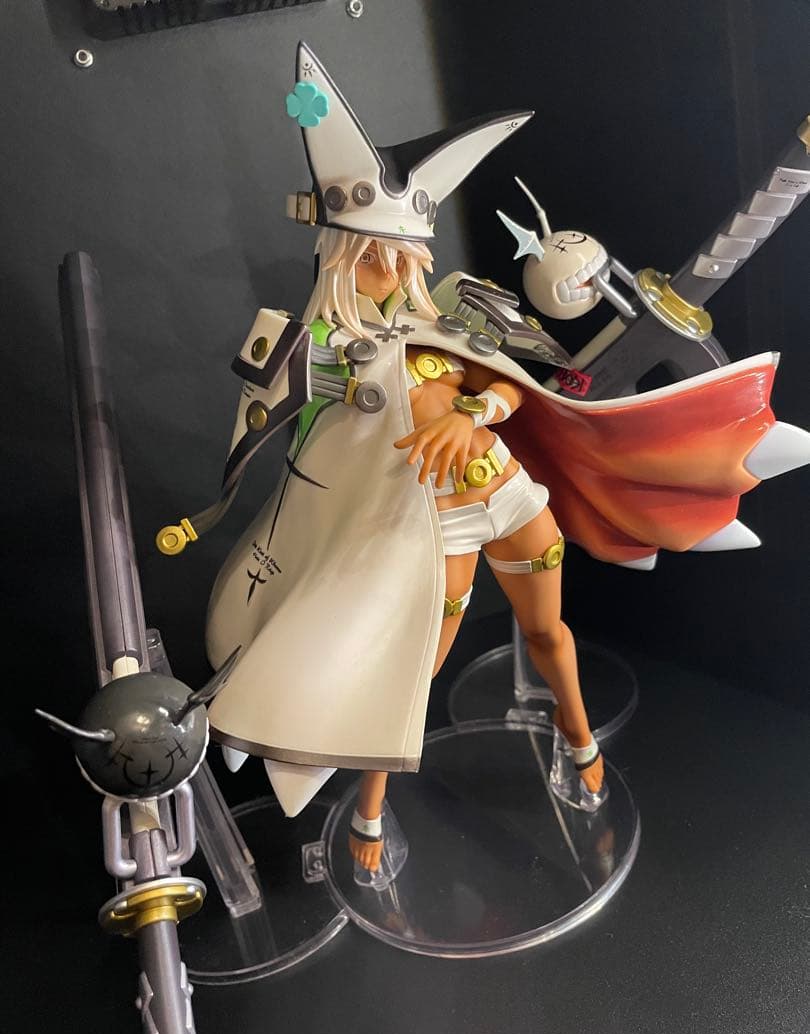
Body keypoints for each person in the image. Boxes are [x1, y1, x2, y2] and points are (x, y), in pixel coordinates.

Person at [194, 43, 804, 875]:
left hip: (508, 495)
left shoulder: (452, 312)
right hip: (425, 523)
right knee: (412, 668)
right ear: (336, 254)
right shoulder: (313, 348)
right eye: (371, 257)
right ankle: (369, 812)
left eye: (401, 257)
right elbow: (288, 452)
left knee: (547, 630)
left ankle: (580, 746)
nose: (389, 271)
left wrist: (473, 412)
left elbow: (515, 388)